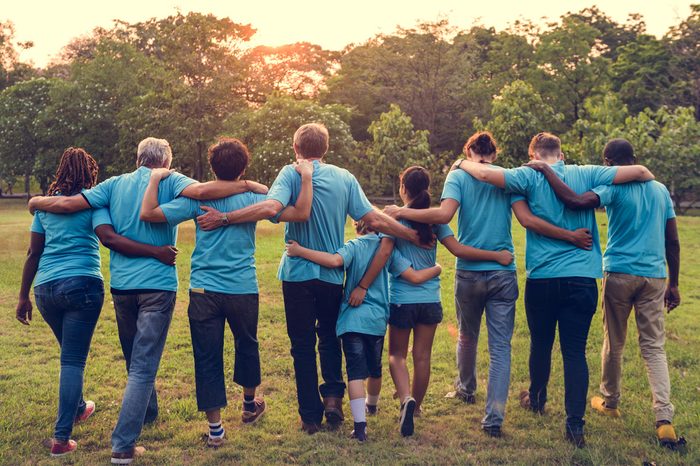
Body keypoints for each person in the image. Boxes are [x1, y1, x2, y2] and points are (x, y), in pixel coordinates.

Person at [28, 137, 266, 464]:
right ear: (165, 161)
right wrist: (248, 184)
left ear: (138, 158)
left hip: (122, 286)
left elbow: (69, 206)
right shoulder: (171, 179)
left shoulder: (112, 185)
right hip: (157, 284)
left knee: (133, 358)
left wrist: (37, 202)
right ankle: (123, 445)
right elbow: (203, 192)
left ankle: (149, 411)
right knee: (143, 366)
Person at [195, 123, 425, 434]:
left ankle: (310, 416)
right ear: (326, 149)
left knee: (302, 345)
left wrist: (224, 217)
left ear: (296, 148)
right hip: (331, 273)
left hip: (297, 273)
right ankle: (332, 398)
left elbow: (270, 207)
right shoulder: (344, 178)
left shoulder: (291, 173)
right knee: (329, 337)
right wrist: (410, 234)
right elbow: (372, 217)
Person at [383, 132, 594, 438]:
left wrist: (400, 211)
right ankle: (493, 417)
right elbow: (525, 218)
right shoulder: (507, 178)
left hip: (468, 271)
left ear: (467, 151)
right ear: (494, 155)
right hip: (502, 272)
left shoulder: (458, 176)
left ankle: (466, 389)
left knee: (467, 336)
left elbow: (443, 215)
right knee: (500, 348)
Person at [455, 132, 654, 447]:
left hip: (543, 277)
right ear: (560, 155)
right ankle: (575, 424)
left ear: (534, 155)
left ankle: (537, 398)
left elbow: (483, 173)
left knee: (541, 344)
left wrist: (460, 162)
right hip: (582, 278)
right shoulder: (586, 173)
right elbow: (642, 172)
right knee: (574, 351)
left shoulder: (527, 176)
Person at [139, 137, 314, 447]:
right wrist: (264, 186)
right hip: (242, 287)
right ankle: (249, 405)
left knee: (207, 356)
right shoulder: (254, 198)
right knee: (247, 345)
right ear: (243, 166)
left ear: (212, 167)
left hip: (204, 289)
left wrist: (154, 182)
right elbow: (297, 211)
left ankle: (216, 429)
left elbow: (151, 213)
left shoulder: (199, 199)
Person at [16, 148, 178, 458]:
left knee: (69, 355)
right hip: (82, 286)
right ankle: (61, 439)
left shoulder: (46, 207)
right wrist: (155, 251)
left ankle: (78, 407)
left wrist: (23, 296)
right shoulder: (96, 200)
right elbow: (108, 237)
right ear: (90, 173)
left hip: (46, 289)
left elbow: (33, 252)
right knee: (72, 361)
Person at [525, 138, 683, 448]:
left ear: (608, 163)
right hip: (654, 277)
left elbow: (576, 201)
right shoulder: (660, 190)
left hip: (619, 272)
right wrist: (673, 283)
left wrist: (546, 171)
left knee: (615, 340)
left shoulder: (613, 188)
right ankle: (664, 419)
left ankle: (610, 401)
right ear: (633, 157)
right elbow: (673, 241)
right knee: (653, 347)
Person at [285, 218, 441, 442]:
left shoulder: (353, 246)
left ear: (357, 226)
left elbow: (332, 260)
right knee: (374, 370)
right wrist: (437, 268)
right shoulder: (389, 250)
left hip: (351, 320)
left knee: (355, 374)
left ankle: (360, 428)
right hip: (377, 322)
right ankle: (372, 405)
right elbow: (413, 276)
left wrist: (300, 250)